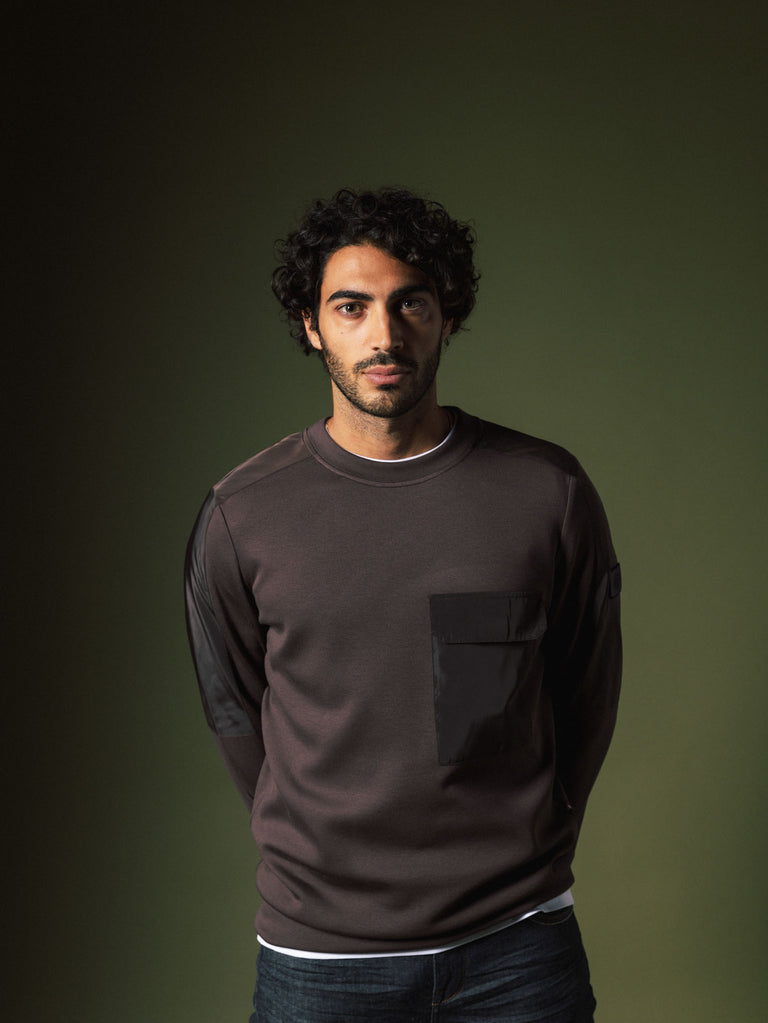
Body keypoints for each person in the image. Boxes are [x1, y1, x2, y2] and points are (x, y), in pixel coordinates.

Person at [184, 187, 622, 1022]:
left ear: (446, 314)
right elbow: (235, 710)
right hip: (321, 963)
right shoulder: (241, 515)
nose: (382, 335)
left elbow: (586, 686)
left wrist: (537, 839)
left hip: (517, 946)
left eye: (409, 302)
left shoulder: (546, 492)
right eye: (351, 307)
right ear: (313, 324)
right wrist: (321, 853)